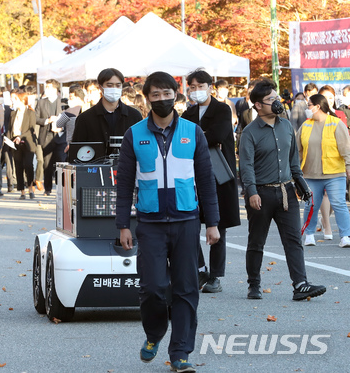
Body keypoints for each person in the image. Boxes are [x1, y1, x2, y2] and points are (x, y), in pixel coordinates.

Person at [116, 71, 219, 373]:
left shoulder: (193, 132)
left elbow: (206, 179)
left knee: (187, 289)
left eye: (167, 93)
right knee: (152, 288)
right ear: (147, 99)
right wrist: (123, 224)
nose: (162, 99)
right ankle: (154, 333)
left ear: (177, 94)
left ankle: (180, 353)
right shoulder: (134, 135)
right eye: (155, 95)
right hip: (150, 223)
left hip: (187, 220)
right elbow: (123, 184)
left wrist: (211, 222)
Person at [238, 79, 326, 301]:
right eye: (271, 99)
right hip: (261, 194)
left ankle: (300, 285)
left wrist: (302, 185)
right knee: (256, 241)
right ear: (258, 105)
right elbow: (246, 166)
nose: (277, 102)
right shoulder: (249, 133)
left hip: (287, 193)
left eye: (277, 98)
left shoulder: (287, 126)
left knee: (293, 240)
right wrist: (251, 191)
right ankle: (254, 284)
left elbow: (293, 162)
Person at [182, 69, 241, 294]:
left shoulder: (223, 109)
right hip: (191, 175)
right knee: (188, 225)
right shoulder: (188, 113)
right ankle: (200, 269)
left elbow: (216, 136)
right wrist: (201, 137)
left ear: (210, 87)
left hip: (218, 174)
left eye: (200, 86)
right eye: (192, 87)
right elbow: (184, 139)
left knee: (218, 227)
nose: (196, 91)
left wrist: (196, 137)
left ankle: (215, 275)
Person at [297, 94, 350, 247]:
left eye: (309, 105)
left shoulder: (336, 123)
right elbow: (297, 149)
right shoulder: (306, 125)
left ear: (317, 107)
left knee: (339, 203)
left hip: (335, 173)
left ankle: (345, 236)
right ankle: (309, 234)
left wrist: (348, 166)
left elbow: (346, 148)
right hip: (311, 174)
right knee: (310, 205)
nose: (307, 108)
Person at [71, 68, 142, 155]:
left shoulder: (134, 116)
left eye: (118, 85)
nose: (114, 89)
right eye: (109, 85)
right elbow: (77, 151)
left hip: (127, 167)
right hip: (95, 167)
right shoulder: (85, 118)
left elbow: (141, 147)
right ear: (100, 87)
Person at [35, 79, 64, 196]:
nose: (47, 89)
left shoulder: (62, 102)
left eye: (49, 87)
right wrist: (47, 120)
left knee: (60, 162)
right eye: (46, 87)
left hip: (60, 136)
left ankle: (61, 188)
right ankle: (47, 188)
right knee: (47, 163)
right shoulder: (41, 102)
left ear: (56, 89)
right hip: (46, 135)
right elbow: (35, 118)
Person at [8, 90, 37, 199]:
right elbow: (10, 129)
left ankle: (30, 187)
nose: (13, 101)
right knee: (18, 166)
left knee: (28, 165)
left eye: (15, 99)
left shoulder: (30, 112)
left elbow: (31, 129)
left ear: (21, 100)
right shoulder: (13, 113)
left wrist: (21, 136)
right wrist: (8, 140)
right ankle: (22, 191)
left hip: (28, 143)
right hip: (15, 143)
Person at [55, 85, 85, 153]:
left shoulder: (69, 111)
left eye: (71, 98)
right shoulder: (90, 109)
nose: (69, 100)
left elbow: (58, 124)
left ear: (78, 98)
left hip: (72, 144)